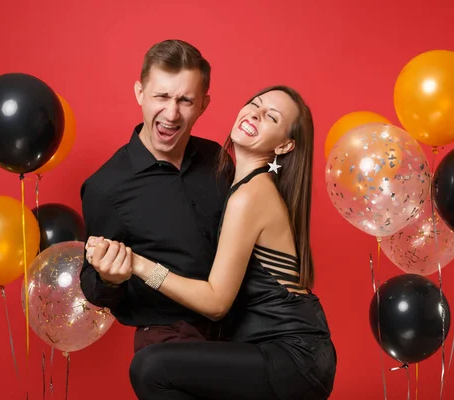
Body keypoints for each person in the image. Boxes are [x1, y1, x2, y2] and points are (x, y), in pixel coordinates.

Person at [87, 85, 337, 400]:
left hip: (293, 355)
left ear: (285, 146)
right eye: (254, 104)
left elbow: (217, 303)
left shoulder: (251, 195)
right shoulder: (233, 182)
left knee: (151, 368)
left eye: (270, 117)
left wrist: (136, 263)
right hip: (273, 352)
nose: (255, 115)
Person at [79, 39, 233, 352]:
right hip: (168, 341)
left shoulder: (217, 159)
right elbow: (95, 287)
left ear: (203, 104)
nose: (172, 113)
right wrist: (109, 278)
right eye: (161, 96)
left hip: (239, 330)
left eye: (185, 100)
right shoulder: (105, 187)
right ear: (140, 94)